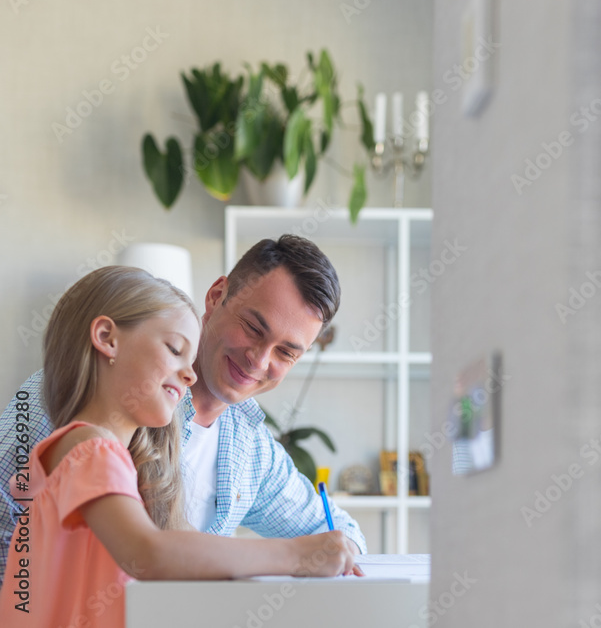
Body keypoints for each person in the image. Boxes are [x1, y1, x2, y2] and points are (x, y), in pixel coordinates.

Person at [0, 266, 357, 628]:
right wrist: (294, 556)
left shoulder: (84, 450)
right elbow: (148, 553)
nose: (189, 375)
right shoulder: (92, 450)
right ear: (107, 337)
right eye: (174, 350)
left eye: (286, 352)